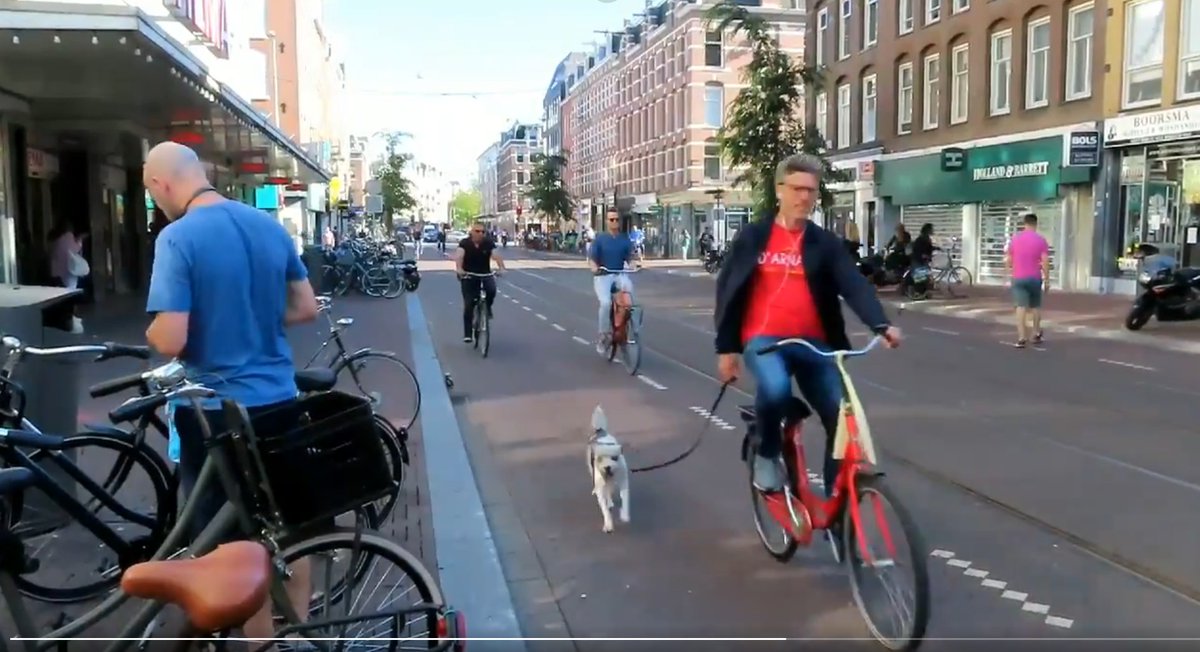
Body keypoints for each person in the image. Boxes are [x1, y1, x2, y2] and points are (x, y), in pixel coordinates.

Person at [142, 141, 319, 642]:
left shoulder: (178, 239)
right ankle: (301, 632)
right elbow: (305, 306)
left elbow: (172, 337)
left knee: (227, 545)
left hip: (216, 413)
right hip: (279, 400)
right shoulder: (268, 226)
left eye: (153, 194)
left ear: (162, 184)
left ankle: (258, 641)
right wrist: (257, 318)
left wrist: (154, 335)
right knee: (290, 524)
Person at [713, 153, 901, 500]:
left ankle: (836, 503)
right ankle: (768, 453)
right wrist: (726, 349)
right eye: (797, 189)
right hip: (764, 341)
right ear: (780, 190)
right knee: (775, 388)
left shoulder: (824, 244)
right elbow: (728, 292)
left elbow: (853, 283)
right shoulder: (754, 238)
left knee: (843, 421)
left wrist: (880, 324)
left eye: (811, 191)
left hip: (816, 344)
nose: (804, 198)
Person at [590, 209, 642, 354]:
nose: (614, 223)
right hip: (604, 275)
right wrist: (595, 268)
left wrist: (632, 264)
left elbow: (630, 257)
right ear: (606, 221)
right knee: (606, 303)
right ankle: (603, 335)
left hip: (619, 274)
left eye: (617, 220)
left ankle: (635, 329)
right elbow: (592, 259)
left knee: (630, 296)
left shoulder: (624, 239)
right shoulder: (600, 239)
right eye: (611, 220)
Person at [1004, 212, 1051, 348]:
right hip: (1035, 277)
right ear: (1035, 224)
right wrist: (1047, 279)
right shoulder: (1041, 240)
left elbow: (1009, 259)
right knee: (1035, 306)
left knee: (1020, 306)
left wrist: (1009, 273)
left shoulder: (1015, 239)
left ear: (1024, 224)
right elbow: (1045, 261)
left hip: (1018, 277)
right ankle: (1036, 333)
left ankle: (1021, 337)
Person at [455, 221, 506, 342]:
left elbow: (496, 255)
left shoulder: (488, 243)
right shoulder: (465, 243)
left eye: (483, 232)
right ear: (471, 232)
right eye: (477, 231)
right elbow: (459, 256)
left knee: (492, 290)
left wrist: (501, 268)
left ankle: (486, 308)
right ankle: (468, 333)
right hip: (469, 274)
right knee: (468, 304)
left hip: (485, 273)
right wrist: (459, 269)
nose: (480, 234)